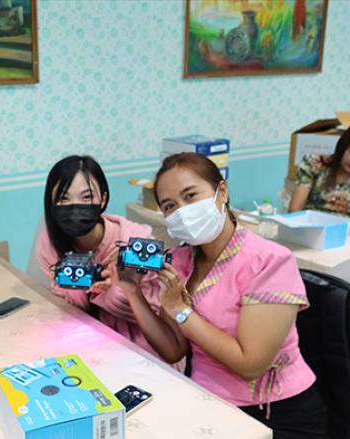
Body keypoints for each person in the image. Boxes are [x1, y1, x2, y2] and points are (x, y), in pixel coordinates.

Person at [111, 153, 328, 438]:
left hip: (275, 413)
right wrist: (133, 291)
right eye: (170, 206)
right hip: (208, 401)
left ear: (221, 191)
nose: (183, 211)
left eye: (191, 196)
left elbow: (250, 365)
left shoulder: (269, 261)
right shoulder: (180, 261)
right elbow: (173, 350)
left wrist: (181, 311)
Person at [35, 155, 182, 364]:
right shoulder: (49, 245)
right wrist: (82, 290)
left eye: (86, 197)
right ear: (51, 202)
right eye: (63, 198)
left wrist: (112, 292)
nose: (75, 206)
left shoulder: (133, 241)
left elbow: (155, 314)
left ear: (103, 199)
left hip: (143, 349)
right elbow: (72, 309)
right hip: (86, 341)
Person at [289, 120, 350, 240]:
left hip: (345, 238)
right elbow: (295, 210)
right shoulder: (315, 163)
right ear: (343, 145)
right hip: (308, 233)